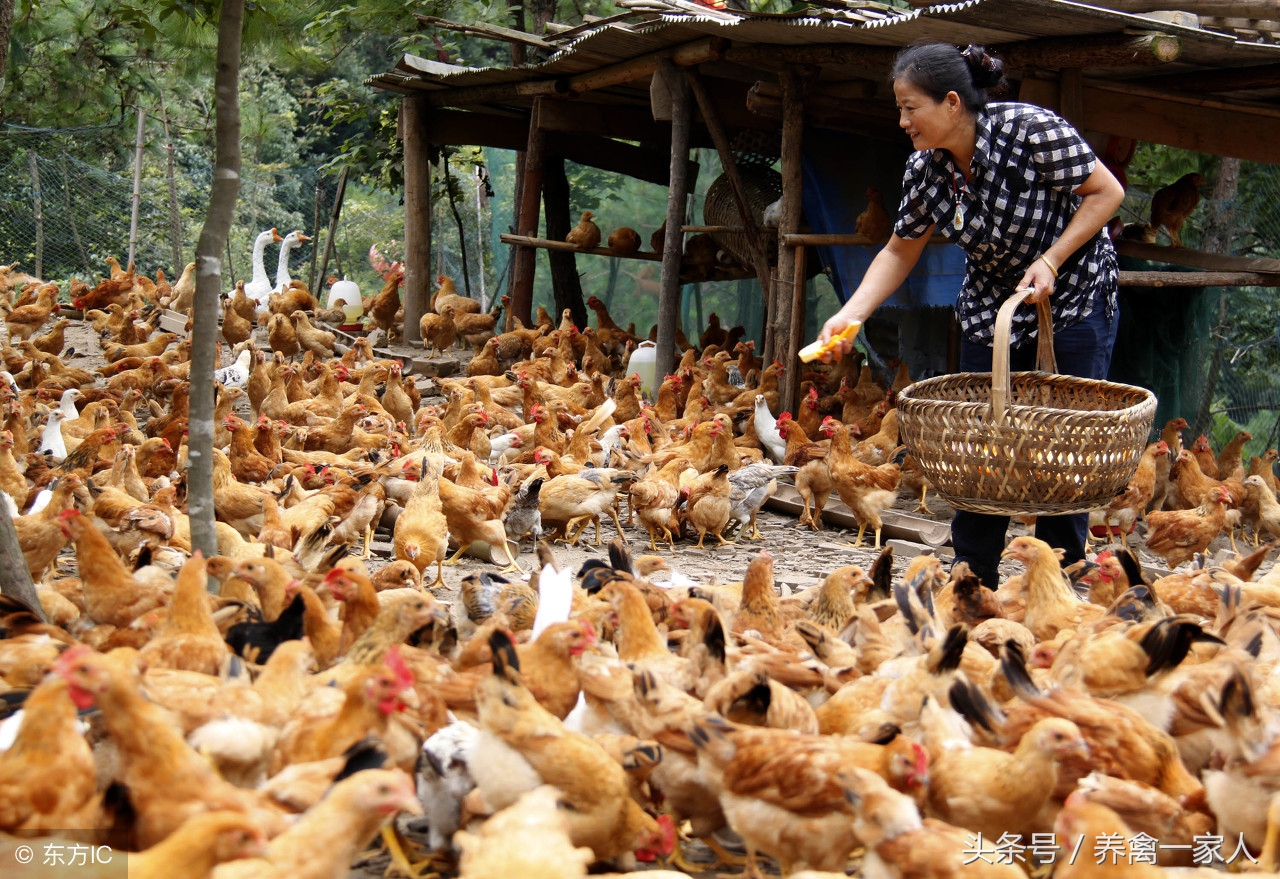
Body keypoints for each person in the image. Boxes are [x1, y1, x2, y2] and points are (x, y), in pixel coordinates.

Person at [819, 43, 1126, 590]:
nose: (903, 120)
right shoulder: (927, 169)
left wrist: (1052, 258)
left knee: (1063, 438)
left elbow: (1107, 192)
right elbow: (899, 249)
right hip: (994, 303)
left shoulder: (1030, 131)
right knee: (984, 433)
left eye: (911, 107)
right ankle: (973, 573)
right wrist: (851, 314)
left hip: (1073, 293)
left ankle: (1058, 573)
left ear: (953, 102)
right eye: (900, 107)